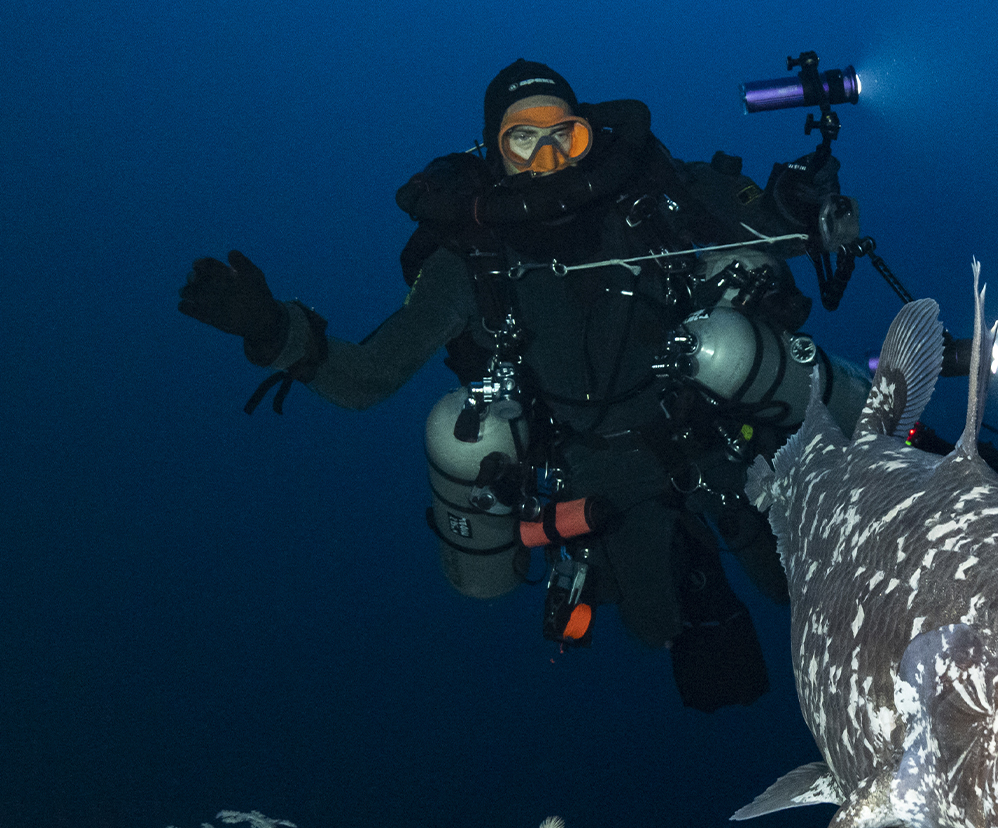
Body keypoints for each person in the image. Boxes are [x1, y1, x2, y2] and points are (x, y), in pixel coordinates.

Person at [179, 59, 871, 712]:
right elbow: (369, 376)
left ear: (589, 133)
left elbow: (771, 232)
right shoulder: (471, 264)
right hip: (597, 482)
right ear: (492, 154)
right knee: (661, 624)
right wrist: (273, 330)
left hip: (715, 435)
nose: (548, 160)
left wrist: (797, 202)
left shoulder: (658, 202)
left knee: (816, 579)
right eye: (523, 141)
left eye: (562, 136)